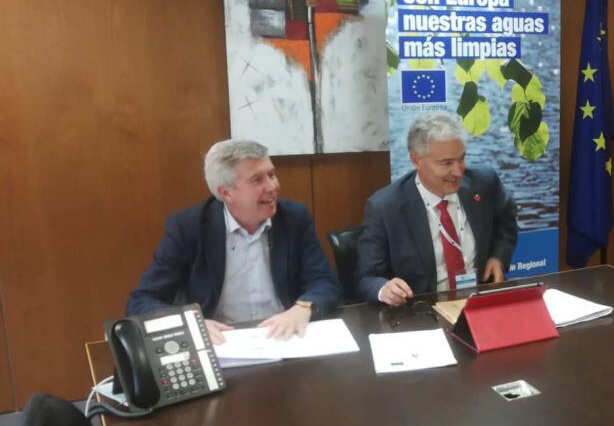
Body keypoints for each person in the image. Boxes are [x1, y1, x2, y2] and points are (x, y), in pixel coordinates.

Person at [127, 140, 341, 342]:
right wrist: (189, 323)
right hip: (223, 342)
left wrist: (302, 308)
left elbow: (325, 282)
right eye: (257, 180)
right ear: (226, 193)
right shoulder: (189, 227)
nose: (272, 186)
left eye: (272, 174)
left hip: (284, 336)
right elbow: (142, 300)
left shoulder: (293, 218)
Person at [356, 111, 519, 306]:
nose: (459, 171)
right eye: (447, 163)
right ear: (416, 160)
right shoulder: (385, 208)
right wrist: (384, 289)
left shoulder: (484, 184)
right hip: (421, 312)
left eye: (461, 158)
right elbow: (366, 279)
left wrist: (498, 256)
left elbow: (507, 221)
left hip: (480, 303)